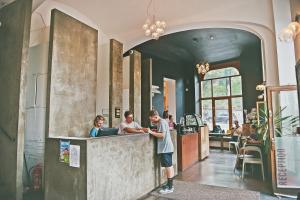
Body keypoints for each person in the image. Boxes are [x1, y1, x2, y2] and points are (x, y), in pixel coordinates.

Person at [148, 110, 175, 194]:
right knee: (169, 167)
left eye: (152, 119)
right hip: (166, 148)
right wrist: (154, 131)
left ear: (155, 116)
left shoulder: (161, 122)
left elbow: (162, 135)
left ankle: (170, 187)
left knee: (168, 167)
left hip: (166, 149)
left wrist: (151, 132)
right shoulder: (160, 122)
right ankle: (170, 184)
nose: (151, 121)